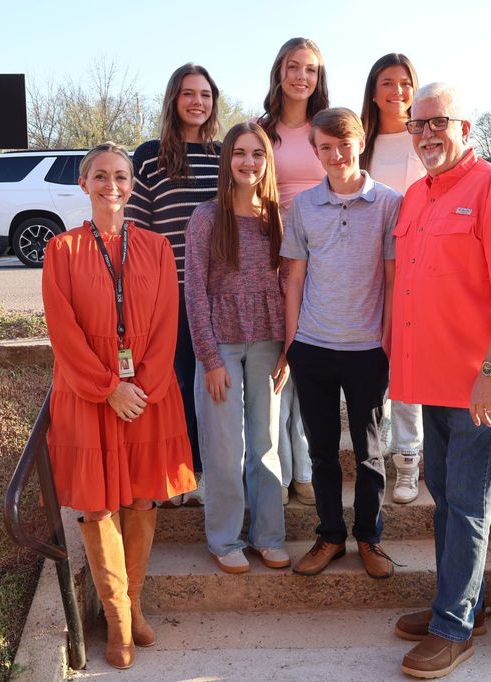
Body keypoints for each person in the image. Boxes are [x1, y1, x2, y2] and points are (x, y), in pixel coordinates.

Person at [389, 84, 491, 679]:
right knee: (445, 500)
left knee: (469, 504)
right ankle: (460, 607)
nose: (427, 133)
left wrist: (490, 373)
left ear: (465, 126)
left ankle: (453, 631)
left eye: (438, 122)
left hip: (479, 383)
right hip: (435, 379)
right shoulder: (417, 196)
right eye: (417, 124)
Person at [42, 143, 196, 670]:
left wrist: (142, 387)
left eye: (122, 176)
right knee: (99, 505)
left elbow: (166, 325)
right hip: (90, 396)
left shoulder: (156, 247)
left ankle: (133, 605)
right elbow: (62, 332)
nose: (112, 185)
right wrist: (109, 387)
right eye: (101, 176)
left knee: (141, 502)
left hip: (148, 395)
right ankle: (116, 623)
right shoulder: (61, 250)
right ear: (84, 183)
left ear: (133, 184)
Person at [282, 107, 400, 580]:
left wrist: (388, 338)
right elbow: (294, 276)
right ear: (315, 152)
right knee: (322, 451)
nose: (335, 155)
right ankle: (330, 535)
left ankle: (369, 537)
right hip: (312, 345)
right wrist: (292, 342)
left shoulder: (390, 203)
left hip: (368, 348)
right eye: (325, 147)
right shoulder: (304, 206)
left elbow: (394, 279)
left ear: (360, 145)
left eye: (343, 145)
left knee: (370, 452)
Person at [184, 122, 291, 574]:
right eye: (240, 153)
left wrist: (289, 350)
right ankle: (225, 538)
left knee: (266, 444)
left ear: (267, 161)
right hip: (221, 346)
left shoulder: (278, 217)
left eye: (258, 154)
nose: (249, 162)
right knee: (225, 447)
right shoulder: (207, 217)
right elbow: (195, 291)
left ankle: (268, 536)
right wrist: (209, 358)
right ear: (227, 160)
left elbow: (289, 284)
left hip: (269, 344)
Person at [127, 63, 222, 507]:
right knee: (175, 384)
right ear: (174, 99)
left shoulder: (225, 155)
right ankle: (177, 470)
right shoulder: (149, 155)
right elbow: (137, 229)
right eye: (188, 93)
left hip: (215, 295)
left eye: (204, 94)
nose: (197, 102)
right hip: (167, 293)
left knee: (208, 386)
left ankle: (204, 471)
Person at [258, 37, 330, 506]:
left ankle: (305, 469)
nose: (301, 76)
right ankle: (279, 473)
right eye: (293, 66)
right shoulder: (259, 130)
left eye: (310, 69)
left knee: (310, 365)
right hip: (271, 257)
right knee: (276, 368)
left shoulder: (328, 128)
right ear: (279, 71)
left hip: (325, 258)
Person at [360, 52, 426, 505]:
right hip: (367, 266)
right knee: (371, 366)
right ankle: (375, 452)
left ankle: (408, 461)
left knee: (408, 365)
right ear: (374, 88)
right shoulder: (361, 141)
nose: (397, 91)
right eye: (387, 82)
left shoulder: (424, 138)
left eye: (405, 83)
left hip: (419, 265)